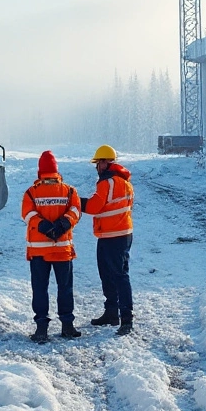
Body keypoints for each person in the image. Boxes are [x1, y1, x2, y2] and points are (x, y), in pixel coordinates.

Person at [20, 150, 82, 343]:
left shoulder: (31, 192)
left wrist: (43, 226)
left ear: (40, 172)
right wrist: (63, 224)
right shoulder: (69, 191)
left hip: (39, 251)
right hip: (62, 249)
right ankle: (67, 326)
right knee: (65, 288)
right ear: (57, 170)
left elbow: (27, 214)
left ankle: (41, 329)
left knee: (40, 289)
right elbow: (76, 210)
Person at [81, 144, 135, 336]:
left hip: (113, 236)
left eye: (98, 163)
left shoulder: (106, 183)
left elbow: (95, 207)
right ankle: (112, 313)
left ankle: (125, 319)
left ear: (106, 162)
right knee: (111, 275)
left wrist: (75, 201)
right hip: (120, 235)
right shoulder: (125, 182)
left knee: (118, 276)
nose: (97, 167)